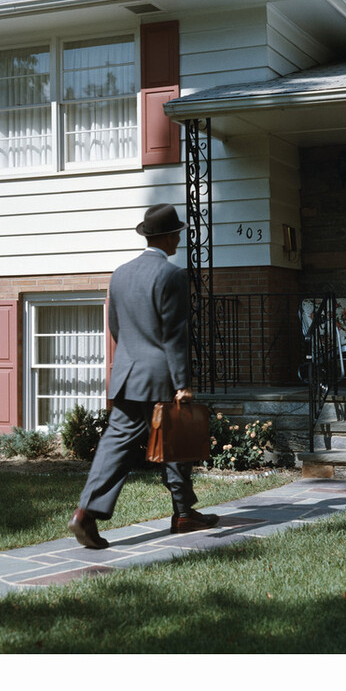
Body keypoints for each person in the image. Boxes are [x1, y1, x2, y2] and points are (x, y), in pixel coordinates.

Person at [68, 203, 219, 549]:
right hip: (160, 373)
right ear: (168, 237)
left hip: (128, 371)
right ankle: (176, 514)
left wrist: (132, 360)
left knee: (119, 443)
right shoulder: (172, 275)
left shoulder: (120, 273)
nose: (179, 239)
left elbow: (115, 327)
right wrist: (182, 383)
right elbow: (174, 334)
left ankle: (91, 513)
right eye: (177, 233)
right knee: (175, 435)